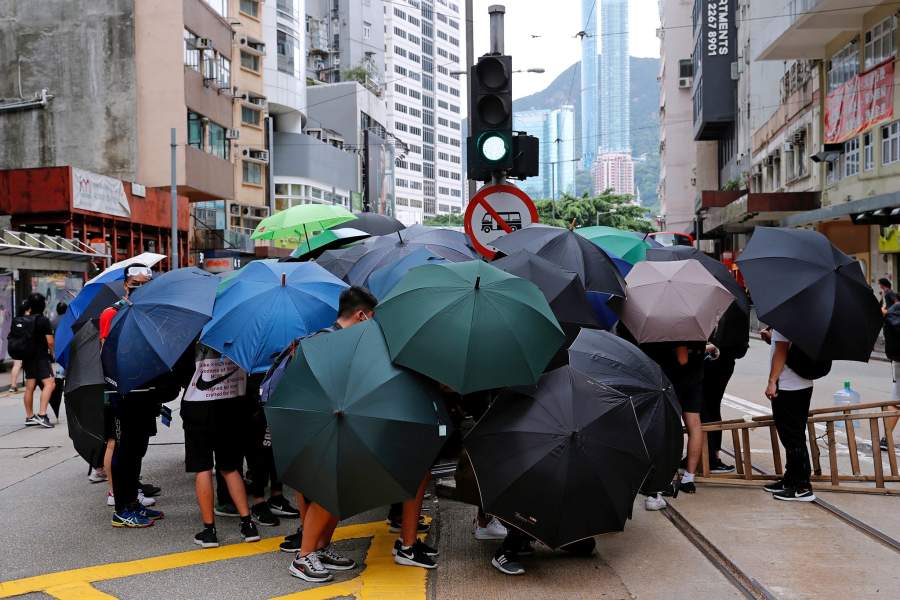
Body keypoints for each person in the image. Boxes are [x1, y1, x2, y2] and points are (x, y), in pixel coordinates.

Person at [287, 287, 377, 583]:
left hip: (335, 425)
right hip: (320, 427)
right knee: (327, 491)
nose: (372, 324)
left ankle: (321, 547)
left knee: (338, 492)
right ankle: (303, 557)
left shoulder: (335, 340)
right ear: (361, 314)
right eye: (371, 317)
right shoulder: (329, 342)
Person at [100, 265, 166, 527]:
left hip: (146, 390)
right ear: (126, 284)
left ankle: (133, 502)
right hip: (122, 392)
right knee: (124, 449)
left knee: (138, 448)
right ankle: (121, 508)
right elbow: (105, 352)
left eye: (146, 283)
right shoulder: (111, 313)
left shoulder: (153, 313)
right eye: (136, 283)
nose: (141, 287)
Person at [182, 345, 260, 547]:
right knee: (230, 467)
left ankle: (209, 531)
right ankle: (247, 524)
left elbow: (182, 375)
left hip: (198, 410)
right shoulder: (239, 334)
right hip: (231, 407)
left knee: (202, 468)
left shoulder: (191, 336)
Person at [642, 340, 708, 497]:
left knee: (672, 428)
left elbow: (682, 358)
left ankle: (668, 480)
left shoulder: (680, 326)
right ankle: (689, 479)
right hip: (696, 377)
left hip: (676, 380)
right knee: (694, 425)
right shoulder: (700, 324)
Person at [760, 327, 816, 502]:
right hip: (804, 384)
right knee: (794, 435)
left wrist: (772, 382)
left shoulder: (785, 321)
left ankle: (802, 486)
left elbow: (781, 351)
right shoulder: (803, 317)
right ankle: (791, 479)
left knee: (792, 437)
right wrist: (772, 338)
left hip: (788, 386)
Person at [700, 304, 750, 474]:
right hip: (719, 361)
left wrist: (711, 345)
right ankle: (708, 454)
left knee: (708, 407)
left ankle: (711, 456)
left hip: (716, 361)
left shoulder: (725, 306)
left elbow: (720, 340)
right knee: (707, 407)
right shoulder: (733, 304)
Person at [22, 293, 56, 428]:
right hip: (41, 357)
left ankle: (30, 416)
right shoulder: (43, 320)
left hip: (28, 357)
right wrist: (53, 354)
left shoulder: (25, 319)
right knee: (50, 384)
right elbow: (50, 342)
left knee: (30, 387)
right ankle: (42, 415)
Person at [881, 294, 900, 452]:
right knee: (895, 403)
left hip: (898, 361)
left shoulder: (893, 311)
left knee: (895, 402)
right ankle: (885, 438)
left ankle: (886, 438)